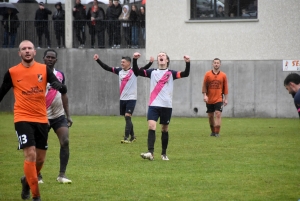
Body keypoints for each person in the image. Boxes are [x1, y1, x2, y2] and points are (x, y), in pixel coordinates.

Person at [0, 40, 67, 201]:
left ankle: (26, 181)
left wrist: (59, 85)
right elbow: (2, 92)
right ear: (20, 53)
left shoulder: (44, 69)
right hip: (22, 118)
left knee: (40, 159)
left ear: (34, 52)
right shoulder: (12, 72)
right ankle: (36, 195)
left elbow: (61, 87)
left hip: (41, 118)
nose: (27, 51)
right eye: (24, 49)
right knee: (30, 154)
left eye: (30, 48)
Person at [135, 52, 190, 161]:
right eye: (159, 55)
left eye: (163, 55)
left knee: (164, 129)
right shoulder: (152, 72)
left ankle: (163, 154)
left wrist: (188, 63)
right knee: (151, 126)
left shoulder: (171, 73)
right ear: (157, 60)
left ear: (167, 60)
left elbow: (185, 74)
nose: (160, 56)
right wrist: (135, 60)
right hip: (153, 105)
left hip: (166, 106)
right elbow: (136, 71)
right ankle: (150, 152)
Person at [93, 53, 154, 143]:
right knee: (127, 118)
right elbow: (107, 68)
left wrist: (150, 63)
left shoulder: (134, 71)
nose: (121, 63)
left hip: (131, 98)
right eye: (121, 62)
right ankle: (133, 136)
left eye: (123, 62)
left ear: (129, 63)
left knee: (127, 116)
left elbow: (144, 68)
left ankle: (126, 138)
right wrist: (98, 60)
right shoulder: (119, 71)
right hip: (122, 99)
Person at [36, 49, 73, 185]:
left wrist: (68, 115)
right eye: (48, 57)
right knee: (40, 146)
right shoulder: (37, 73)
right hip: (41, 115)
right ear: (44, 58)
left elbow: (64, 94)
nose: (50, 59)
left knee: (65, 141)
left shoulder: (60, 74)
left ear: (56, 60)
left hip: (58, 115)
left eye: (53, 57)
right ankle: (37, 175)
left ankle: (62, 175)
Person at [202, 58, 228, 137]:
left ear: (220, 64)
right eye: (215, 63)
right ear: (212, 64)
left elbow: (225, 87)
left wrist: (226, 98)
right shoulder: (207, 74)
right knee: (210, 116)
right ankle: (213, 131)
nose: (216, 64)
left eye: (218, 63)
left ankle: (217, 132)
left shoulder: (223, 75)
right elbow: (204, 86)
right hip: (210, 99)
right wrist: (205, 96)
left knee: (218, 114)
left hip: (218, 99)